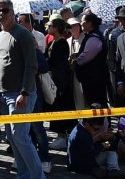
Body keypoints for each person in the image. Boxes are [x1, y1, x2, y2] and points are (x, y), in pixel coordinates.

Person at [0, 0, 45, 179]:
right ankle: (24, 175)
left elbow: (31, 65)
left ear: (12, 12)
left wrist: (24, 92)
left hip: (20, 93)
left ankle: (38, 176)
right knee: (13, 138)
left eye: (4, 10)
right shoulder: (0, 35)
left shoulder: (23, 34)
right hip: (4, 94)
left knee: (20, 136)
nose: (1, 14)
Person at [67, 109, 123, 177]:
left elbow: (87, 147)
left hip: (76, 162)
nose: (96, 131)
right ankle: (113, 171)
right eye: (96, 129)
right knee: (111, 154)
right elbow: (90, 153)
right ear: (86, 124)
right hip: (81, 165)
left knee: (111, 153)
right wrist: (102, 146)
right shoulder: (82, 135)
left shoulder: (80, 128)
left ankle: (111, 170)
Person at [47, 18, 76, 150]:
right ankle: (60, 135)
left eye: (50, 26)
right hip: (55, 79)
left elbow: (56, 61)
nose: (48, 27)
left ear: (56, 28)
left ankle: (62, 136)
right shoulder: (53, 41)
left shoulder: (61, 43)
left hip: (61, 81)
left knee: (61, 106)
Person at [74, 13, 110, 108]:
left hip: (95, 78)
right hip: (91, 78)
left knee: (97, 104)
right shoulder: (90, 36)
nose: (81, 23)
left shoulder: (94, 38)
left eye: (83, 21)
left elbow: (86, 56)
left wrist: (76, 61)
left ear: (89, 23)